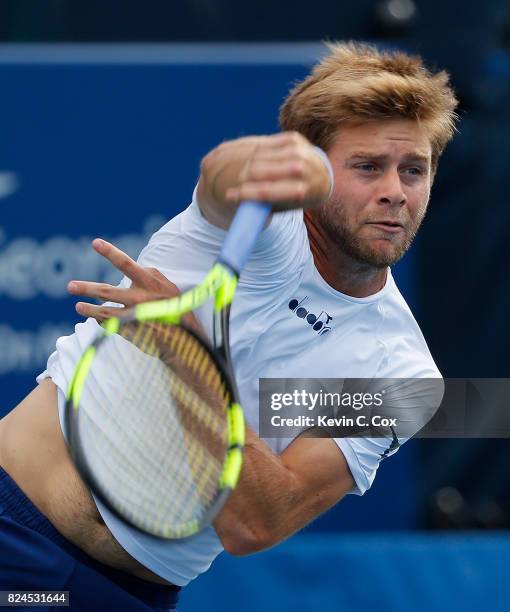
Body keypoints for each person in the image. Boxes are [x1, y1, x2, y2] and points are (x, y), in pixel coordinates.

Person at [0, 41, 458, 610]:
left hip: (118, 596)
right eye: (367, 167)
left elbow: (257, 522)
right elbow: (223, 177)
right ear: (313, 167)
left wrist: (190, 358)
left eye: (414, 170)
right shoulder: (264, 225)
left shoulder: (401, 378)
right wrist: (259, 162)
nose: (395, 191)